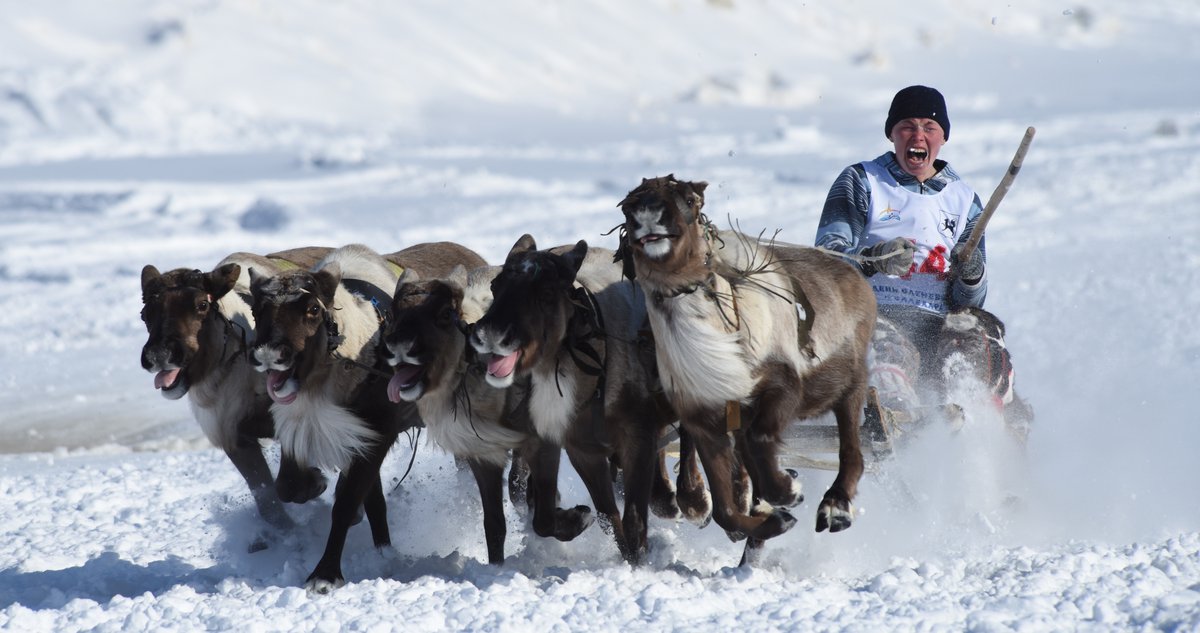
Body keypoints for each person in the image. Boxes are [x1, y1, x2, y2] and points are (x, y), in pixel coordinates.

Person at [814, 85, 987, 420]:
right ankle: (894, 434)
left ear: (943, 137)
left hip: (939, 322)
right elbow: (825, 259)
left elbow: (973, 300)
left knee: (978, 359)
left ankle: (981, 440)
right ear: (892, 133)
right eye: (908, 125)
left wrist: (972, 276)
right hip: (872, 315)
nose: (918, 136)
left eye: (929, 127)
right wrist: (871, 259)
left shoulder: (964, 199)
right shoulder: (862, 180)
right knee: (888, 360)